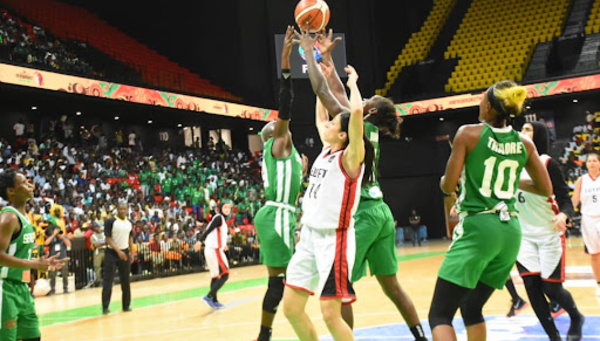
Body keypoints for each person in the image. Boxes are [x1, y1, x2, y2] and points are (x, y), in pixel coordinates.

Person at [299, 27, 426, 340]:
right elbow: (337, 97)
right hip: (382, 211)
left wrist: (324, 64)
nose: (363, 99)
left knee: (340, 291)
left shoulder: (359, 126)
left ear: (369, 111)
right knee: (392, 286)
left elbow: (337, 99)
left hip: (363, 214)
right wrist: (327, 59)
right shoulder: (367, 131)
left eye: (368, 99)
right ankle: (420, 335)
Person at [429, 80, 552, 341]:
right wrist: (508, 179)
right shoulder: (524, 143)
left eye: (482, 99)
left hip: (480, 227)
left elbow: (447, 185)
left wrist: (446, 182)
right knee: (472, 308)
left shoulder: (468, 134)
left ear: (488, 106)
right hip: (510, 232)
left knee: (439, 315)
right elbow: (545, 189)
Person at [282, 55, 372, 339]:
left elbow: (355, 115)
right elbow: (320, 107)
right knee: (291, 309)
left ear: (344, 135)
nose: (327, 125)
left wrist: (353, 83)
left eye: (334, 123)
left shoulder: (351, 159)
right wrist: (320, 74)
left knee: (331, 315)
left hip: (335, 241)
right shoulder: (325, 150)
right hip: (309, 236)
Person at [253, 26, 307, 341]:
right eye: (274, 125)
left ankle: (265, 335)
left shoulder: (289, 153)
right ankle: (264, 335)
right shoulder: (280, 142)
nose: (277, 122)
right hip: (276, 217)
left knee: (283, 281)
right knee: (284, 281)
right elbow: (286, 103)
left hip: (280, 215)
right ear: (274, 134)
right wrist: (285, 62)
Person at [515, 121, 584, 340]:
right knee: (531, 288)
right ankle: (553, 336)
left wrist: (563, 215)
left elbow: (565, 199)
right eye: (522, 129)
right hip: (523, 236)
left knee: (551, 289)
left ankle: (575, 316)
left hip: (548, 232)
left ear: (539, 136)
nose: (522, 132)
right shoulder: (510, 165)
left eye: (528, 129)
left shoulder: (547, 163)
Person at [0, 169, 68, 341]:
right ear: (11, 191)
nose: (30, 185)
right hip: (4, 289)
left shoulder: (26, 217)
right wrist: (33, 264)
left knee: (33, 337)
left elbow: (16, 256)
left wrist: (41, 264)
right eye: (23, 182)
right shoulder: (9, 218)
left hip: (21, 289)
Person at [572, 152, 600, 299]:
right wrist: (567, 215)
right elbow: (575, 200)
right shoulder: (581, 180)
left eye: (595, 161)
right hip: (588, 219)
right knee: (595, 253)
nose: (592, 163)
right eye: (589, 161)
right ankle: (599, 283)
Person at [101, 202, 133, 315]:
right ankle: (105, 306)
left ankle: (126, 305)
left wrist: (132, 252)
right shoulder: (110, 221)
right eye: (120, 209)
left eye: (124, 209)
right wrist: (118, 251)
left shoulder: (129, 222)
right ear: (117, 209)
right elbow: (108, 238)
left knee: (126, 280)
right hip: (112, 252)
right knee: (108, 280)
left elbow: (130, 237)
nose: (122, 211)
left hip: (124, 252)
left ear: (127, 209)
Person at [200, 201, 232, 309]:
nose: (227, 209)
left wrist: (224, 245)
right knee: (225, 274)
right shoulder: (219, 218)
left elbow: (216, 234)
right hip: (214, 250)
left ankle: (214, 300)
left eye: (229, 208)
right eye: (225, 207)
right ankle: (209, 296)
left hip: (211, 249)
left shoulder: (220, 219)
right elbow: (208, 230)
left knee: (215, 276)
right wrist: (200, 241)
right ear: (220, 208)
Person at [45, 224, 71, 295]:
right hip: (54, 260)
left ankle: (65, 288)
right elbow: (46, 243)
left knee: (65, 274)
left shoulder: (64, 236)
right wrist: (53, 235)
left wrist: (62, 237)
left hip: (63, 258)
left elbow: (69, 244)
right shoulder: (52, 238)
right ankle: (52, 290)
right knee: (52, 275)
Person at [91, 222, 106, 287]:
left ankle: (107, 280)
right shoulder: (93, 236)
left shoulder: (103, 234)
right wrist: (103, 243)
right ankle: (99, 281)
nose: (97, 228)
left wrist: (101, 243)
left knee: (107, 267)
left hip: (105, 251)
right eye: (96, 227)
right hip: (98, 252)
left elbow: (107, 241)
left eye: (98, 226)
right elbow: (95, 245)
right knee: (97, 267)